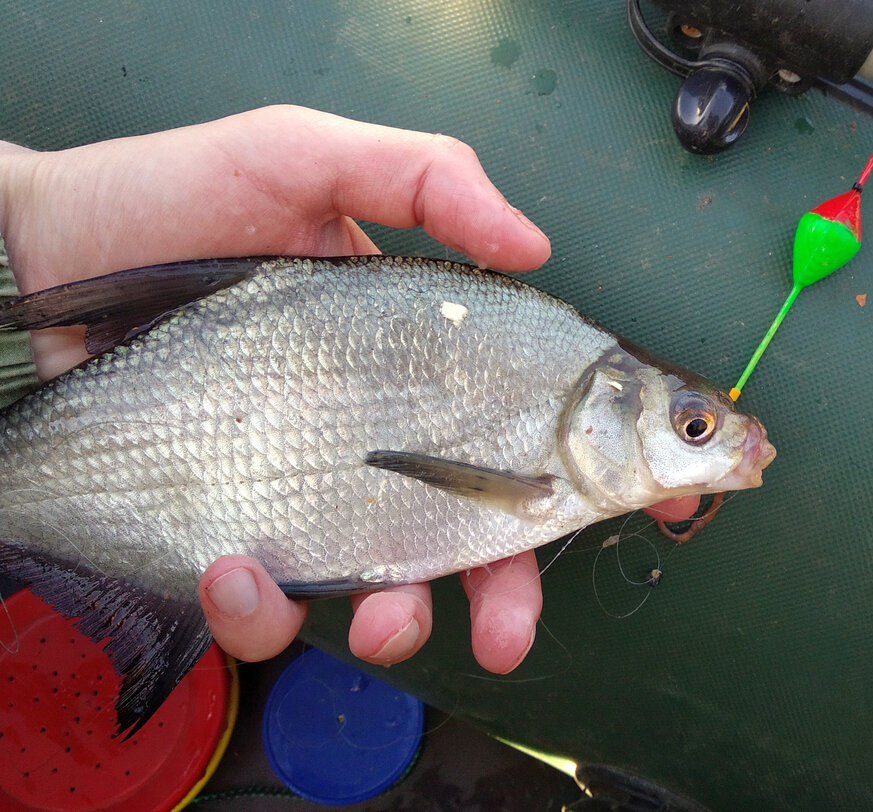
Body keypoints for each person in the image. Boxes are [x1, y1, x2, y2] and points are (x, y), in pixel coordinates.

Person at [0, 105, 698, 675]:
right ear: (602, 403)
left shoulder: (559, 357)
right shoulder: (557, 369)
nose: (706, 439)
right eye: (690, 426)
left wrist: (26, 218)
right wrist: (22, 221)